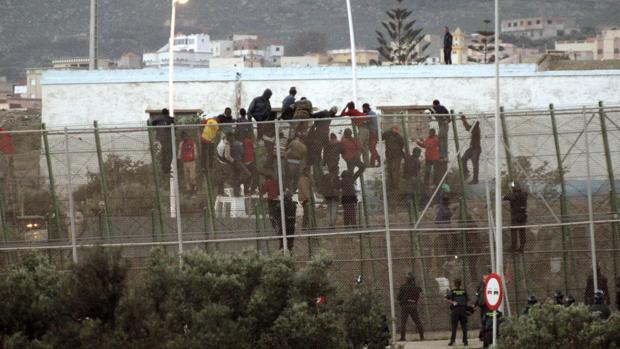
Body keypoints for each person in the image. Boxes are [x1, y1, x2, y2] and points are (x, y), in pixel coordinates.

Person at [397, 274, 425, 341]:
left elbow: (398, 297)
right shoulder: (416, 288)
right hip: (413, 305)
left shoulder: (403, 287)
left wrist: (403, 299)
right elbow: (419, 296)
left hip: (405, 305)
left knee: (403, 322)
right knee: (417, 321)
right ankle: (422, 336)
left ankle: (402, 337)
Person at [341, 102, 370, 166]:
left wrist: (345, 107)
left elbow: (342, 114)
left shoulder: (351, 111)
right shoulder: (356, 111)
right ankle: (367, 164)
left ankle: (357, 162)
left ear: (349, 107)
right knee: (365, 147)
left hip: (362, 129)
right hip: (367, 129)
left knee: (359, 145)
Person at [503, 182, 528, 253]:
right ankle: (522, 248)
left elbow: (504, 197)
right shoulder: (524, 195)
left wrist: (509, 193)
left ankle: (513, 248)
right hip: (523, 216)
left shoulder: (512, 196)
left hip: (515, 217)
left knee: (514, 232)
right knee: (522, 232)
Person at [445, 279, 469, 346]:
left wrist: (453, 302)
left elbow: (446, 299)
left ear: (454, 284)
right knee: (464, 326)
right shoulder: (463, 291)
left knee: (454, 326)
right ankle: (465, 341)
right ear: (460, 284)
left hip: (455, 310)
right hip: (463, 309)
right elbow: (467, 300)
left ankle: (452, 341)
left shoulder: (452, 291)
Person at [151, 108, 175, 175]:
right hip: (167, 139)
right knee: (169, 154)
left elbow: (153, 123)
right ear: (167, 113)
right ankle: (167, 168)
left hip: (160, 139)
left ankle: (164, 169)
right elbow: (174, 126)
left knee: (163, 154)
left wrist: (157, 128)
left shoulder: (158, 119)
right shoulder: (170, 119)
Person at [383, 125, 405, 191]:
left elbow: (402, 145)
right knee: (389, 170)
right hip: (389, 155)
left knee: (395, 171)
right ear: (392, 129)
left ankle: (395, 186)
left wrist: (397, 151)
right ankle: (390, 185)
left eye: (397, 129)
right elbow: (381, 137)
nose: (396, 130)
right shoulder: (387, 134)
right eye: (395, 129)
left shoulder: (399, 137)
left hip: (397, 156)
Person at [460, 114, 481, 184]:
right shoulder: (474, 129)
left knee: (475, 164)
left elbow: (468, 128)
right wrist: (464, 120)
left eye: (474, 124)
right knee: (463, 159)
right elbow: (468, 128)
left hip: (476, 149)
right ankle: (466, 172)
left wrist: (463, 120)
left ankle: (475, 179)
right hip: (472, 148)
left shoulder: (477, 130)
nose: (473, 125)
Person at [475, 271, 491, 340]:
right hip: (482, 305)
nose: (485, 280)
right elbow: (478, 296)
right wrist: (475, 304)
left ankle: (483, 335)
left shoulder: (490, 285)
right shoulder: (480, 285)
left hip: (488, 305)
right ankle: (482, 335)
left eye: (486, 279)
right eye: (484, 279)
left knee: (487, 320)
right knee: (483, 320)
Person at [242, 130, 258, 195]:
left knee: (248, 176)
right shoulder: (249, 142)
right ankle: (252, 190)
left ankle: (246, 191)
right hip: (250, 162)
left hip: (246, 162)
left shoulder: (244, 141)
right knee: (255, 175)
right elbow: (254, 149)